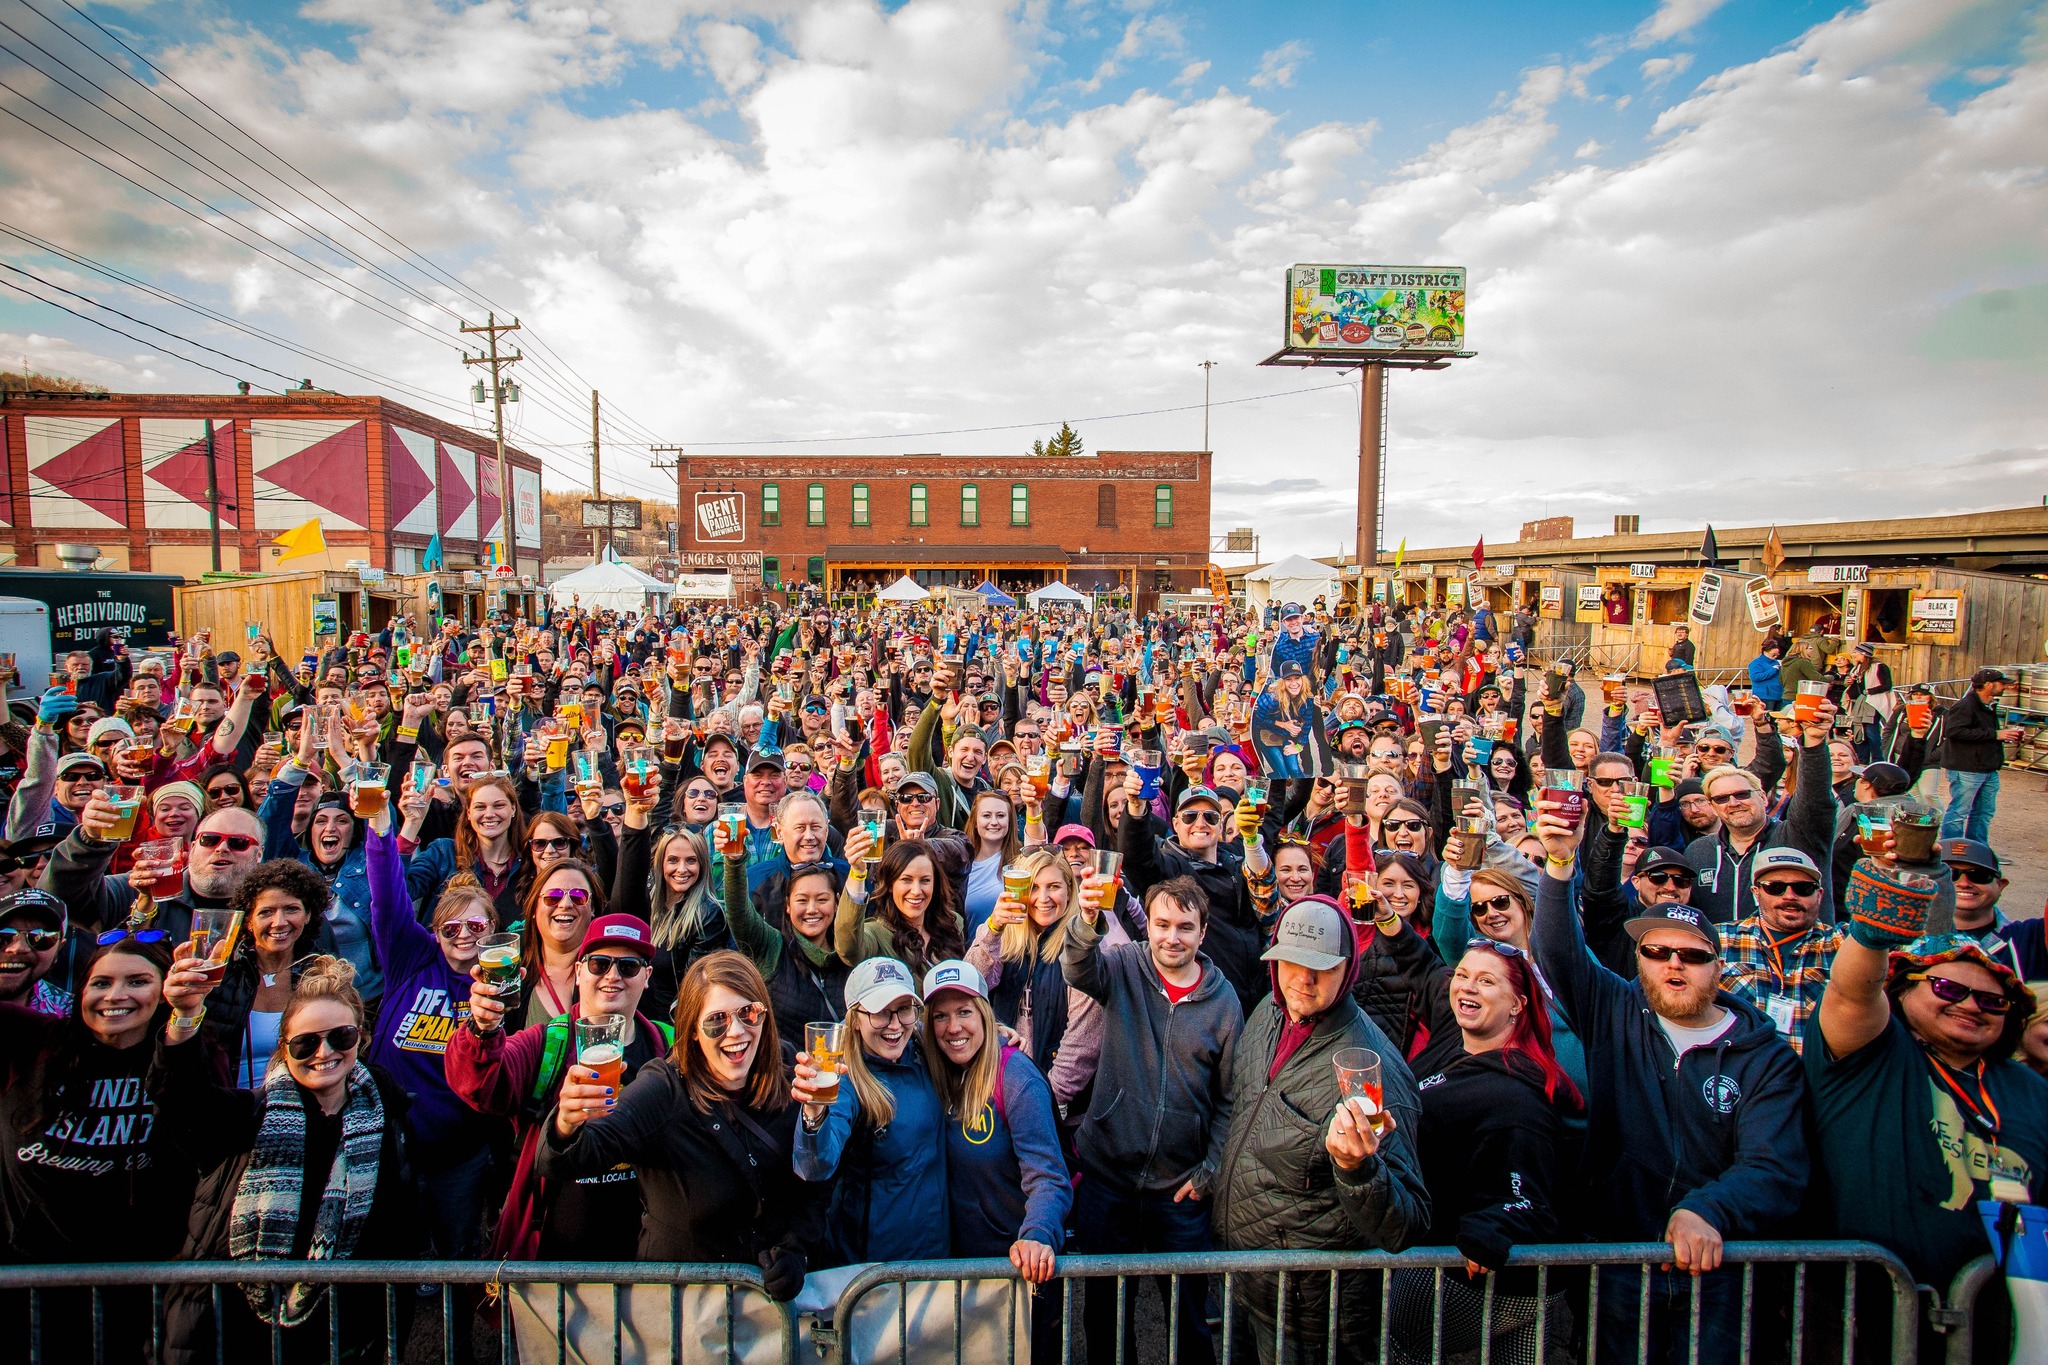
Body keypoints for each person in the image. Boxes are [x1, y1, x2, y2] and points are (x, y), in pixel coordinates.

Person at [1529, 804, 1809, 1365]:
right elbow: (1559, 953)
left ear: (1717, 965)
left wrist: (1710, 1210)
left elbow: (1773, 1166)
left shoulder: (1765, 1056)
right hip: (1619, 1260)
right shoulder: (1616, 1010)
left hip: (1723, 1269)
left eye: (1691, 955)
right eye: (1655, 952)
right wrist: (1560, 865)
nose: (1672, 964)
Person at [154, 954, 419, 1364]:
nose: (324, 1052)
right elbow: (182, 1098)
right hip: (238, 1330)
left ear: (361, 1039)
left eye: (341, 1037)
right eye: (305, 1042)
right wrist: (185, 1017)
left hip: (340, 1331)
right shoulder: (250, 1114)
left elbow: (395, 1231)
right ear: (284, 1048)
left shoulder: (386, 1116)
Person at [1210, 898, 1429, 1364]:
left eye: (1321, 967)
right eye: (1291, 961)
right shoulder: (1270, 1009)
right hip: (1243, 1278)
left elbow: (1407, 1221)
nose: (1303, 979)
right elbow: (1246, 1110)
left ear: (1348, 969)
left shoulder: (1369, 1071)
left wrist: (1357, 1169)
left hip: (1307, 1315)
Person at [534, 950, 818, 1299]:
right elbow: (562, 1160)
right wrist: (567, 1123)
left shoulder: (787, 1069)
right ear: (693, 1031)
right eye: (716, 1021)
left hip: (763, 1316)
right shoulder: (663, 1090)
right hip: (680, 1312)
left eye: (748, 1013)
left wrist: (795, 1248)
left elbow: (817, 1176)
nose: (737, 1032)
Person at [1063, 874, 1240, 1365]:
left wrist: (1211, 1172)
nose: (1171, 936)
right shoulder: (1124, 966)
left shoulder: (1225, 1004)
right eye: (1161, 924)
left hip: (1179, 1189)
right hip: (1108, 1178)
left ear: (1203, 932)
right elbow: (1077, 967)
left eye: (1185, 926)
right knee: (1105, 1317)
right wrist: (1087, 919)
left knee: (1188, 1322)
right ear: (1149, 926)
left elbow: (1230, 1098)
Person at [0, 930, 194, 1365]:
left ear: (165, 990)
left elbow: (206, 1129)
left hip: (139, 1299)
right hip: (22, 1291)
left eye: (138, 982)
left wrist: (185, 1023)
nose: (115, 995)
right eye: (101, 982)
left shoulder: (186, 1057)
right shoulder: (31, 1041)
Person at [1388, 938, 1582, 1365]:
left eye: (1486, 981)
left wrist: (1494, 1225)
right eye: (1462, 976)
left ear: (1517, 1005)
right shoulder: (1455, 1044)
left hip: (1473, 1280)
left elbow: (1529, 1195)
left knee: (1397, 1348)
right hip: (1459, 1269)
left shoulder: (1517, 1098)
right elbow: (1421, 964)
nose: (1467, 987)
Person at [446, 912, 672, 1260]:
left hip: (645, 1255)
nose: (612, 976)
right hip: (556, 1254)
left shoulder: (668, 1046)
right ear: (579, 972)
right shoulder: (547, 1042)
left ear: (647, 977)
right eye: (599, 964)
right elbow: (479, 1087)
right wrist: (483, 1028)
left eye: (628, 967)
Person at [361, 793, 502, 1274]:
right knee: (390, 1254)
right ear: (435, 931)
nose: (464, 935)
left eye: (477, 925)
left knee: (456, 1255)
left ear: (494, 931)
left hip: (458, 1151)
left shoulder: (500, 985)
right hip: (388, 1138)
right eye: (452, 927)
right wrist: (383, 828)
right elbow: (388, 900)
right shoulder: (412, 958)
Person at [919, 958, 1071, 1364]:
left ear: (985, 1014)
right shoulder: (933, 1071)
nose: (954, 1027)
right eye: (941, 1016)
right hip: (956, 1275)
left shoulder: (1015, 1077)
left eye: (965, 1012)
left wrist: (1038, 1234)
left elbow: (1048, 1177)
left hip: (1016, 1275)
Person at [790, 956, 949, 1265]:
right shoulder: (843, 1078)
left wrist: (999, 1038)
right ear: (855, 1018)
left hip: (936, 1261)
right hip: (875, 1273)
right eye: (879, 1013)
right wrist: (814, 1113)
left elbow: (963, 1033)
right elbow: (814, 1166)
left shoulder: (925, 1053)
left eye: (903, 1009)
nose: (894, 1025)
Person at [967, 846, 1102, 1112]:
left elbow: (1083, 1040)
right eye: (1034, 887)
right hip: (999, 1082)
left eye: (1053, 886)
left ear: (1069, 891)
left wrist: (1048, 1098)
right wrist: (992, 929)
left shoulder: (1081, 949)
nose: (1043, 898)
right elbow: (970, 986)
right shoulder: (1005, 936)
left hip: (1054, 1099)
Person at [1717, 847, 1844, 1054]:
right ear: (1756, 892)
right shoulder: (1718, 940)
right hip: (1745, 1078)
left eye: (1803, 888)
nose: (1789, 896)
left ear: (1819, 895)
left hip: (1820, 1079)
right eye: (1775, 887)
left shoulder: (1842, 943)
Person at [836, 837, 966, 978]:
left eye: (925, 880)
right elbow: (849, 949)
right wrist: (857, 873)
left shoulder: (953, 924)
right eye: (906, 880)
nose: (916, 891)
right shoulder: (877, 934)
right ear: (890, 884)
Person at [1939, 668, 2021, 843]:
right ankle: (1951, 850)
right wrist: (1995, 734)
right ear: (1988, 685)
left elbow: (1981, 733)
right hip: (1967, 769)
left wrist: (2000, 736)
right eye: (2002, 683)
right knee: (1959, 812)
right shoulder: (1965, 705)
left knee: (1983, 813)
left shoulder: (1988, 705)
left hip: (1988, 768)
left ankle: (1976, 852)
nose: (2005, 687)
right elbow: (1953, 731)